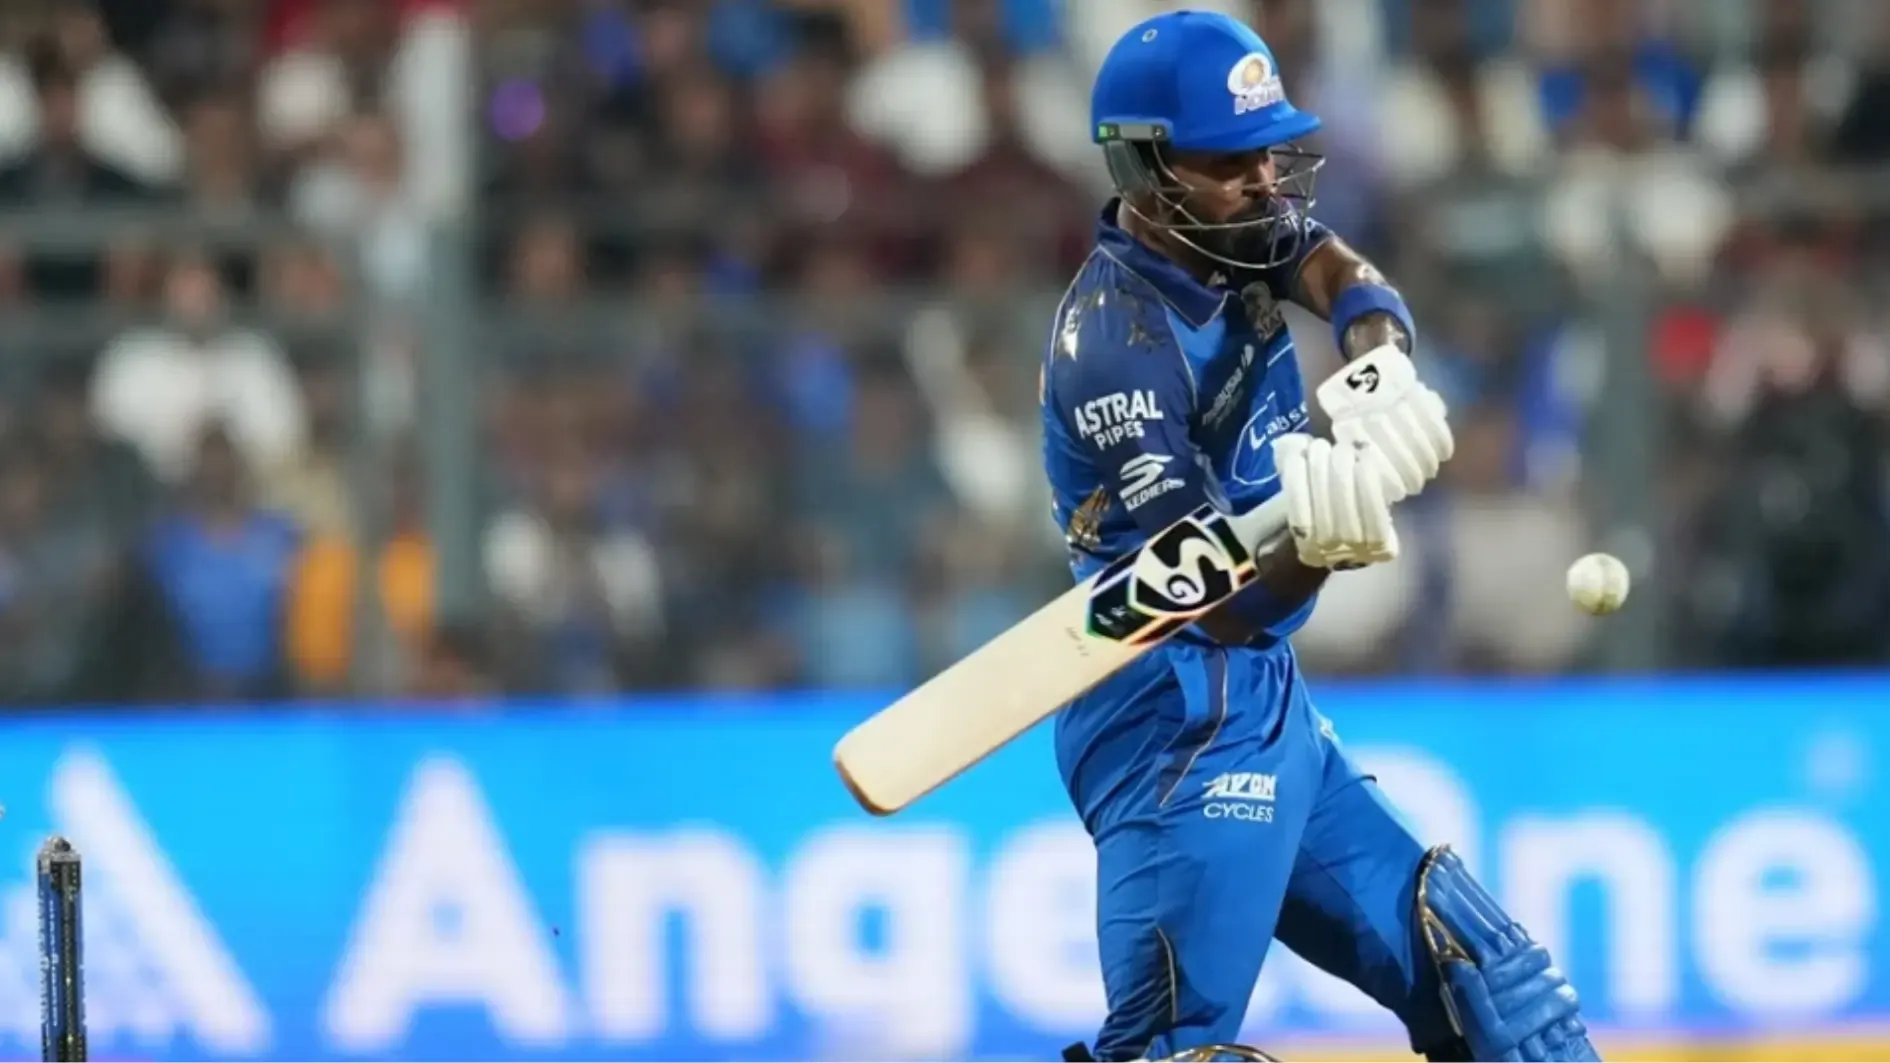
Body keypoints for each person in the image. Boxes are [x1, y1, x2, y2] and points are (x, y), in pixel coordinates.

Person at [1038, 11, 1599, 1062]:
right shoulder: (1115, 349)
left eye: (1269, 153)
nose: (1264, 180)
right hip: (1172, 716)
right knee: (1177, 1054)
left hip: (1265, 697)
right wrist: (1321, 545)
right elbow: (1216, 595)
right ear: (1146, 169)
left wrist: (1379, 363)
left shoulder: (1237, 233)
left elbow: (1346, 276)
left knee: (1499, 998)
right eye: (1230, 161)